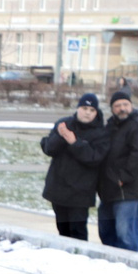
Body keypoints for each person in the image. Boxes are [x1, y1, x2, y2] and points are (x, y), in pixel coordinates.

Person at [41, 93, 112, 241]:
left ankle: (79, 258)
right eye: (84, 108)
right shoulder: (64, 124)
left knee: (77, 232)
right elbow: (49, 149)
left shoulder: (101, 133)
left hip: (81, 192)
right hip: (59, 188)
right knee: (63, 230)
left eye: (92, 110)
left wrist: (74, 142)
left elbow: (94, 158)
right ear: (78, 108)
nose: (87, 112)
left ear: (96, 113)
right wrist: (61, 136)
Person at [99, 88, 138, 251]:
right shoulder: (111, 126)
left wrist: (123, 178)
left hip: (127, 190)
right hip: (108, 188)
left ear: (131, 106)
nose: (122, 108)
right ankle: (113, 264)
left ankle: (129, 266)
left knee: (125, 234)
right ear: (112, 109)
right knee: (106, 230)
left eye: (125, 104)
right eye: (117, 106)